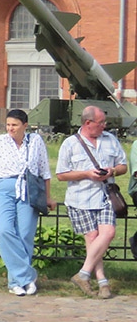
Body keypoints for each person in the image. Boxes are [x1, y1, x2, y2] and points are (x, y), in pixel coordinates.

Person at [0, 109, 53, 296]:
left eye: (14, 125)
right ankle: (27, 276)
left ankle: (16, 282)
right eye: (8, 125)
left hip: (29, 190)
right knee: (5, 231)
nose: (10, 129)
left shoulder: (36, 141)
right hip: (3, 189)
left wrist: (48, 197)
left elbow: (45, 171)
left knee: (25, 234)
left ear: (25, 126)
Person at [56, 106, 126, 299]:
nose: (104, 126)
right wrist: (87, 174)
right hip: (80, 198)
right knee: (93, 239)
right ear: (88, 123)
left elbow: (123, 166)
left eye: (104, 122)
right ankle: (102, 281)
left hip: (105, 195)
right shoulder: (70, 144)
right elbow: (61, 175)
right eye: (101, 122)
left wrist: (111, 171)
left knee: (108, 233)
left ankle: (84, 274)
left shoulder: (110, 140)